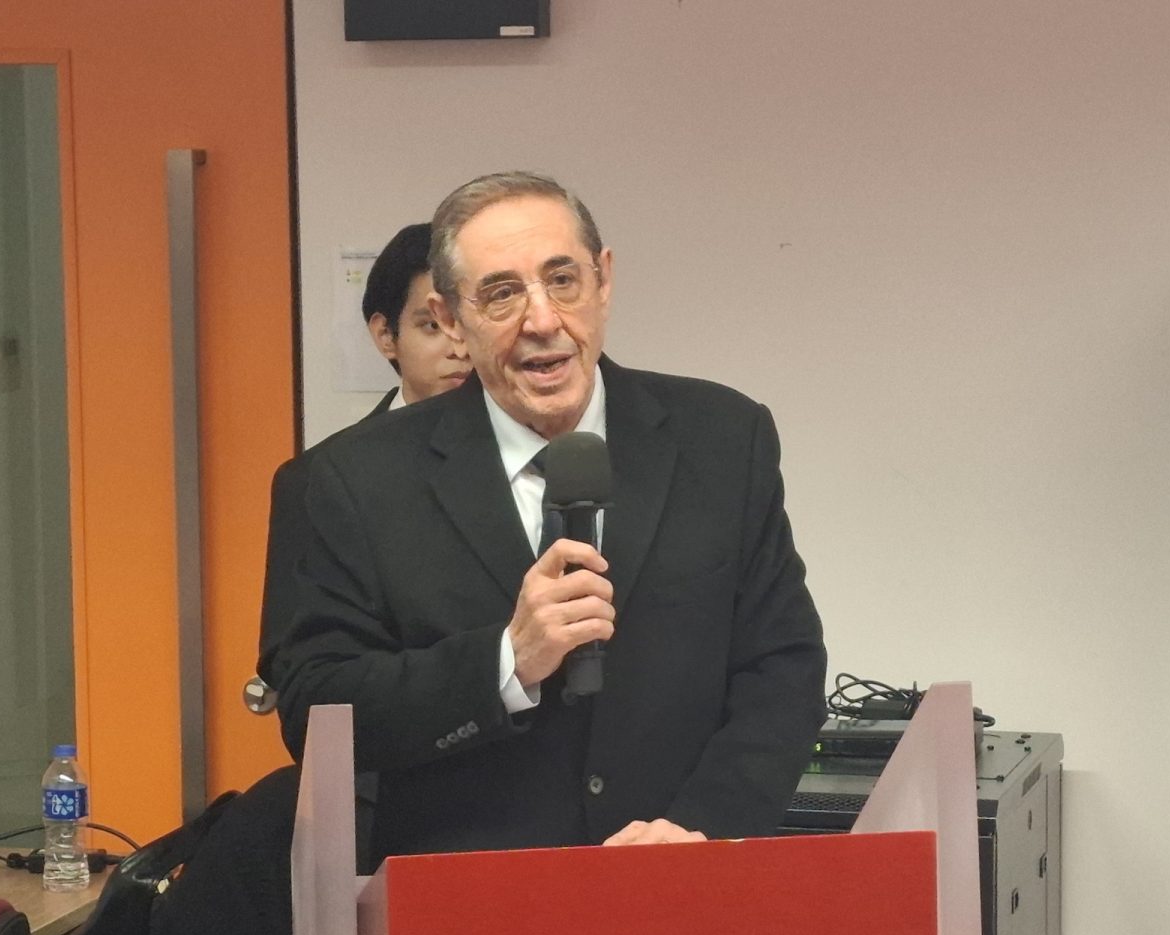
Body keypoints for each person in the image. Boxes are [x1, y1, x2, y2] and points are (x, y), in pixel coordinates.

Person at [276, 172, 825, 862]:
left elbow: (782, 665)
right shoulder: (351, 481)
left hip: (683, 876)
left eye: (562, 280)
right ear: (451, 319)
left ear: (603, 281)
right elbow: (316, 709)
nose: (541, 321)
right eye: (501, 294)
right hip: (469, 900)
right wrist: (506, 662)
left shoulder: (722, 437)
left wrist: (701, 828)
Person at [255, 222, 468, 687]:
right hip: (389, 725)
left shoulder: (546, 458)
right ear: (385, 335)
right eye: (433, 326)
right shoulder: (317, 478)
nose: (459, 347)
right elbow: (297, 665)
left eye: (469, 324)